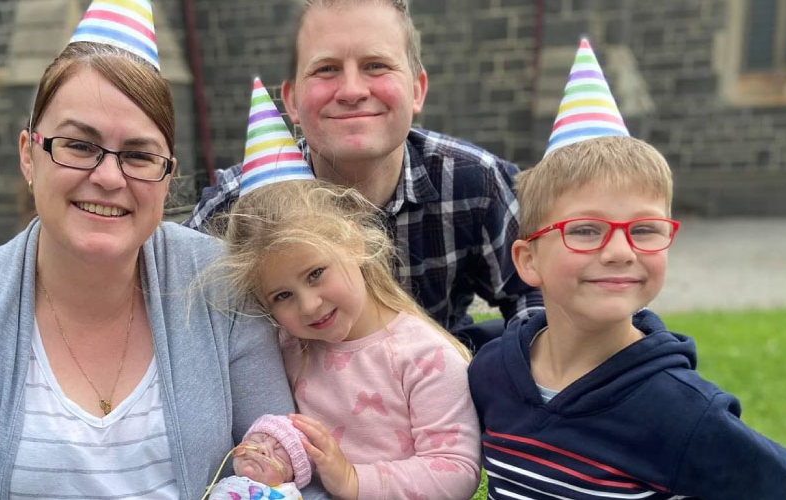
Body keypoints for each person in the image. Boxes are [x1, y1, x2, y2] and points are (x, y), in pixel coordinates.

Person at [0, 3, 327, 499]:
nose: (109, 177)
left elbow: (290, 471)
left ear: (167, 175)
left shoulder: (219, 286)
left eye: (138, 155)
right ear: (29, 154)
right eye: (79, 145)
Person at [468, 39, 786, 500]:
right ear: (527, 260)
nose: (619, 251)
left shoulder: (683, 415)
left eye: (646, 229)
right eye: (587, 230)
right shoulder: (491, 371)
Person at [187, 0, 543, 350]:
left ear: (416, 90)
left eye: (376, 65)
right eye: (326, 69)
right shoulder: (235, 212)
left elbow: (540, 292)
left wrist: (512, 376)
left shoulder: (473, 181)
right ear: (292, 100)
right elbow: (174, 327)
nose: (353, 91)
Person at [212, 179, 481, 500]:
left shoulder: (425, 356)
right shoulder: (288, 348)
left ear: (353, 241)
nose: (309, 305)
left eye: (315, 274)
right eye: (282, 295)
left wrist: (354, 480)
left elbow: (457, 470)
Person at [206, 415, 312, 500]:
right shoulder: (217, 485)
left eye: (278, 454)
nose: (262, 448)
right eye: (256, 440)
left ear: (290, 480)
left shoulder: (287, 495)